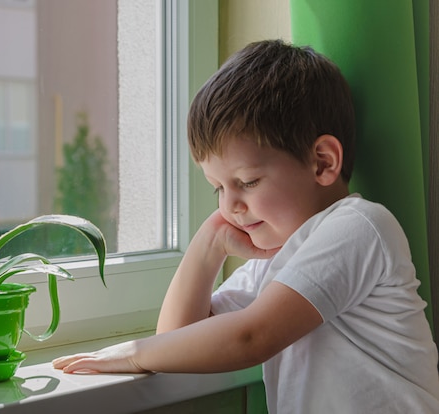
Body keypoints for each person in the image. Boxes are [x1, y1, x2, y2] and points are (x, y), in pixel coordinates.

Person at [52, 39, 439, 413]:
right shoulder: (272, 265)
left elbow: (250, 337)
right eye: (217, 189)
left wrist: (135, 355)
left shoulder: (360, 226)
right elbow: (175, 339)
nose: (229, 206)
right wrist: (208, 245)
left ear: (322, 162)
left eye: (248, 182)